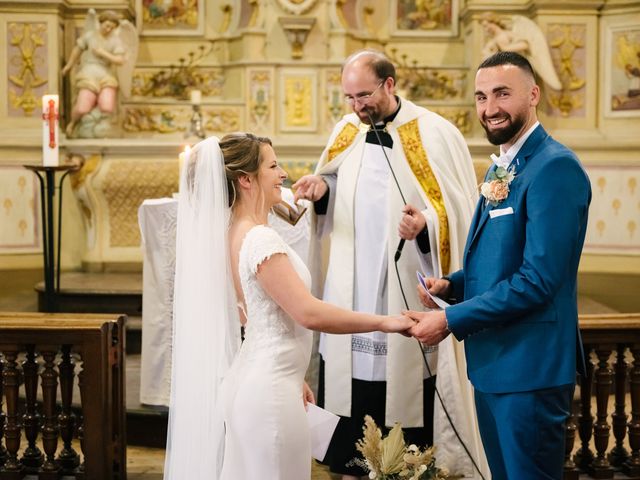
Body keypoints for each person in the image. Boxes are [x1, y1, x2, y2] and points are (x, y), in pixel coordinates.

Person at [163, 133, 414, 480]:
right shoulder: (259, 239)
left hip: (258, 380)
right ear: (246, 179)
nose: (283, 174)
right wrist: (385, 322)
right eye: (273, 166)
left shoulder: (231, 232)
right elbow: (307, 312)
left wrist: (291, 375)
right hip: (269, 394)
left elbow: (252, 314)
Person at [293, 50, 488, 479]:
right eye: (348, 97)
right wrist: (319, 189)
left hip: (405, 286)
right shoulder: (347, 130)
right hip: (353, 287)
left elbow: (457, 210)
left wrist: (424, 225)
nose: (356, 106)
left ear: (389, 85)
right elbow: (334, 181)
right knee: (350, 406)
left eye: (364, 95)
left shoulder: (434, 133)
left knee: (405, 406)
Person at [406, 51, 592, 479]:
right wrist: (451, 285)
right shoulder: (506, 166)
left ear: (533, 94)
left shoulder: (554, 168)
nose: (490, 109)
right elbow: (499, 261)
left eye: (502, 94)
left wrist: (452, 319)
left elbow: (538, 280)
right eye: (481, 96)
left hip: (530, 368)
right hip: (494, 365)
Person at [61, 9, 134, 137]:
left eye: (112, 27)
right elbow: (77, 50)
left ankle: (95, 126)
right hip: (89, 72)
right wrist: (69, 65)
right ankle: (73, 123)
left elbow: (120, 60)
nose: (108, 30)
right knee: (82, 107)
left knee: (107, 106)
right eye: (107, 26)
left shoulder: (115, 40)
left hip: (105, 74)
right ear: (100, 23)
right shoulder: (90, 36)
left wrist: (103, 53)